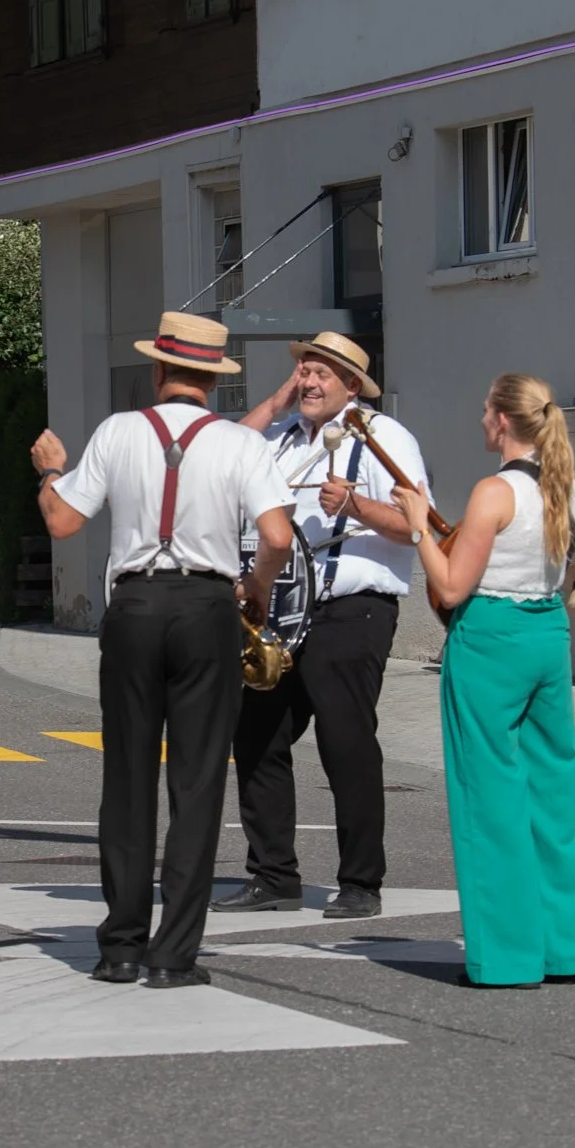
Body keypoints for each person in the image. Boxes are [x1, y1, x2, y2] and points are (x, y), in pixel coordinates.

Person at [32, 312, 296, 987]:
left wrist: (50, 474)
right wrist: (256, 590)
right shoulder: (241, 444)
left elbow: (63, 521)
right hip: (208, 606)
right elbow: (277, 535)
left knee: (126, 777)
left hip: (135, 606)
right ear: (212, 377)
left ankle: (120, 944)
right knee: (198, 779)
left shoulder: (121, 431)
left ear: (157, 371)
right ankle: (174, 952)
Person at [393, 375, 575, 989]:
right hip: (547, 632)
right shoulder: (564, 486)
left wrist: (417, 527)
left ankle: (508, 956)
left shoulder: (493, 492)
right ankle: (567, 946)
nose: (481, 419)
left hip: (491, 636)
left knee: (489, 795)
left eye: (486, 410)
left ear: (505, 421)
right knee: (553, 793)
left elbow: (453, 586)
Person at [214, 331, 423, 921]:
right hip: (277, 612)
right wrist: (280, 400)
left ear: (352, 386)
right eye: (303, 371)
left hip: (350, 611)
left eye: (321, 374)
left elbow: (418, 523)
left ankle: (361, 881)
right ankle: (273, 875)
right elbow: (223, 448)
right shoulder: (277, 438)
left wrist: (356, 505)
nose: (308, 381)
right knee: (254, 736)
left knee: (345, 742)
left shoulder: (383, 437)